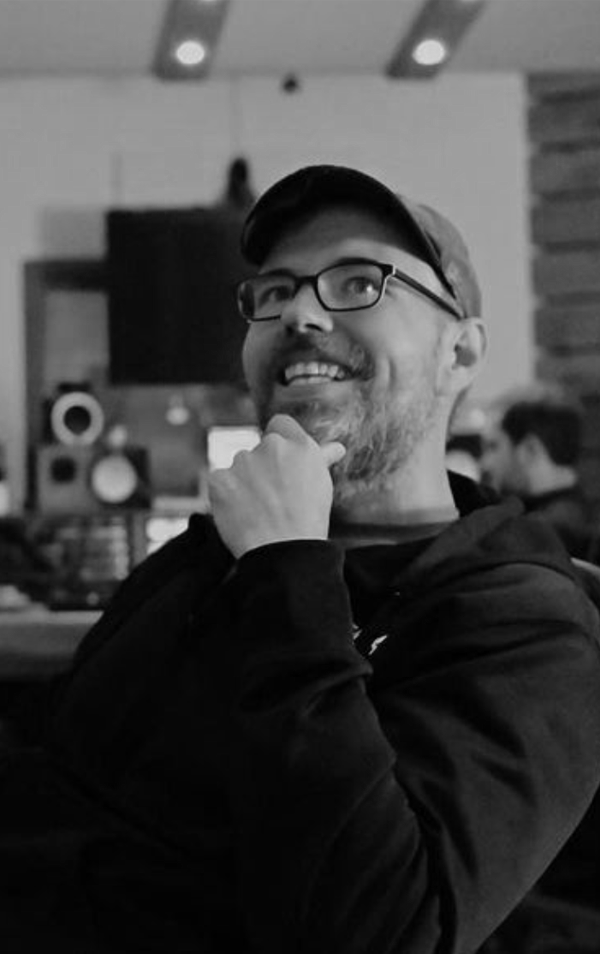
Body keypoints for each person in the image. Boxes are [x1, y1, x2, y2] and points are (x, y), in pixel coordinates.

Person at [1, 164, 600, 954]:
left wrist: (290, 563)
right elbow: (76, 751)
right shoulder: (217, 545)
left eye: (358, 282)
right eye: (275, 291)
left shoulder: (523, 621)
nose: (301, 312)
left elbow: (378, 932)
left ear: (461, 352)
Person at [480, 385, 597, 559]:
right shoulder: (581, 520)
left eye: (493, 447)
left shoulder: (532, 536)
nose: (484, 463)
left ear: (529, 449)